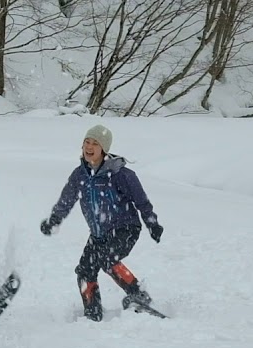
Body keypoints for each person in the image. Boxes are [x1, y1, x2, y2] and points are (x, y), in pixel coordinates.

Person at [39, 124, 163, 321]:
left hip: (126, 229)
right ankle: (92, 312)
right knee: (84, 270)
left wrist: (152, 223)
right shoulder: (79, 175)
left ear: (104, 148)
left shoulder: (121, 174)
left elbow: (141, 201)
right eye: (86, 142)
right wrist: (54, 220)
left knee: (107, 258)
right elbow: (67, 200)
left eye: (95, 143)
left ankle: (138, 294)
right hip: (99, 234)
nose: (89, 147)